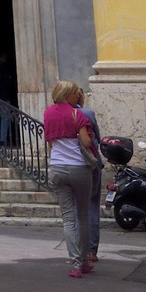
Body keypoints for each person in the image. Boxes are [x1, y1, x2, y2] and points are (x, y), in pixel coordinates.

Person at [43, 80, 96, 278]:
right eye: (75, 93)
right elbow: (86, 141)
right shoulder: (77, 114)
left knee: (67, 218)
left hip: (57, 167)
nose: (77, 96)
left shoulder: (48, 114)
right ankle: (83, 260)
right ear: (68, 95)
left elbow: (49, 142)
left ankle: (74, 263)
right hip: (79, 168)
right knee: (82, 215)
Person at [77, 87, 105, 264]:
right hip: (90, 163)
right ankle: (91, 250)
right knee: (92, 205)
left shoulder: (57, 114)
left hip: (69, 164)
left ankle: (77, 251)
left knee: (75, 209)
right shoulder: (87, 113)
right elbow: (97, 138)